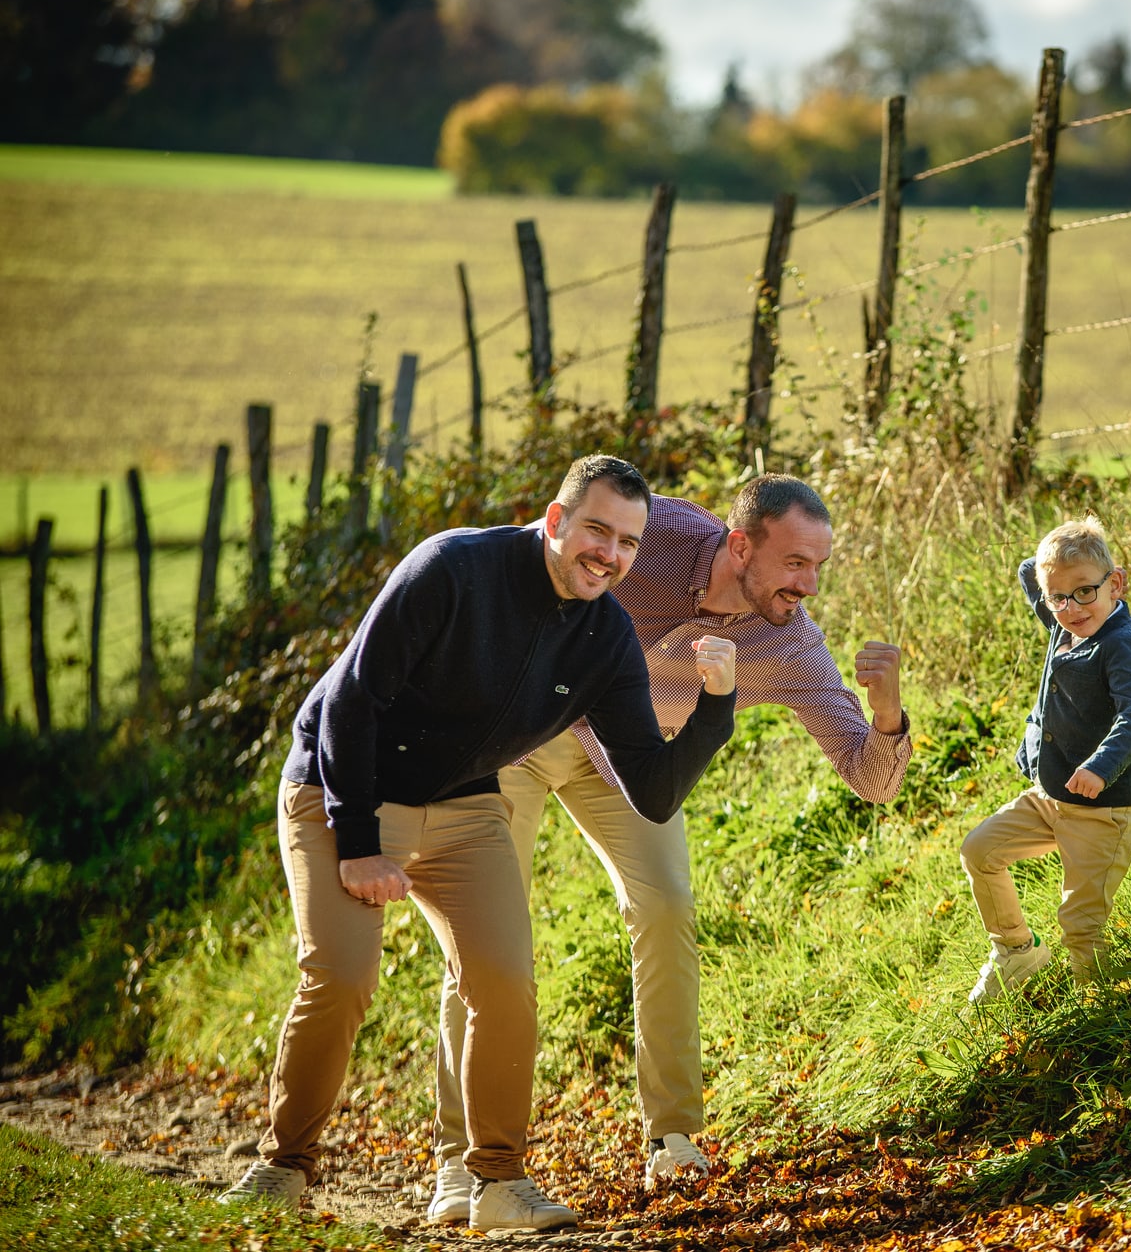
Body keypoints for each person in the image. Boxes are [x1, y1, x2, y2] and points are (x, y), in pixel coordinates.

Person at [217, 455, 737, 1233]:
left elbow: (653, 791)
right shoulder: (453, 568)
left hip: (463, 806)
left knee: (503, 981)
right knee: (343, 976)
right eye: (596, 531)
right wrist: (358, 841)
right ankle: (283, 1166)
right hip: (344, 785)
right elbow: (351, 702)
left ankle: (497, 1180)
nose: (610, 555)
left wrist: (716, 708)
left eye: (628, 542)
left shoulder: (606, 637)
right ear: (556, 520)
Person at [424, 473, 910, 1223]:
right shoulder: (654, 535)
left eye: (819, 566)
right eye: (794, 563)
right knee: (486, 933)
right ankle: (460, 1163)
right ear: (739, 545)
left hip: (634, 763)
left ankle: (673, 1137)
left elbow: (872, 780)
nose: (809, 585)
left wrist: (888, 713)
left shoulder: (789, 643)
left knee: (668, 905)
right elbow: (553, 552)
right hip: (523, 734)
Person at [960, 515, 1131, 1002]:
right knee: (980, 852)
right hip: (1052, 797)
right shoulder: (1061, 621)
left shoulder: (1118, 644)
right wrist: (1059, 565)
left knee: (1081, 925)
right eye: (1058, 597)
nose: (1072, 608)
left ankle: (1100, 1011)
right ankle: (1016, 951)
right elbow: (1030, 570)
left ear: (1116, 584)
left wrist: (1100, 767)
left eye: (1085, 592)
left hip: (1103, 810)